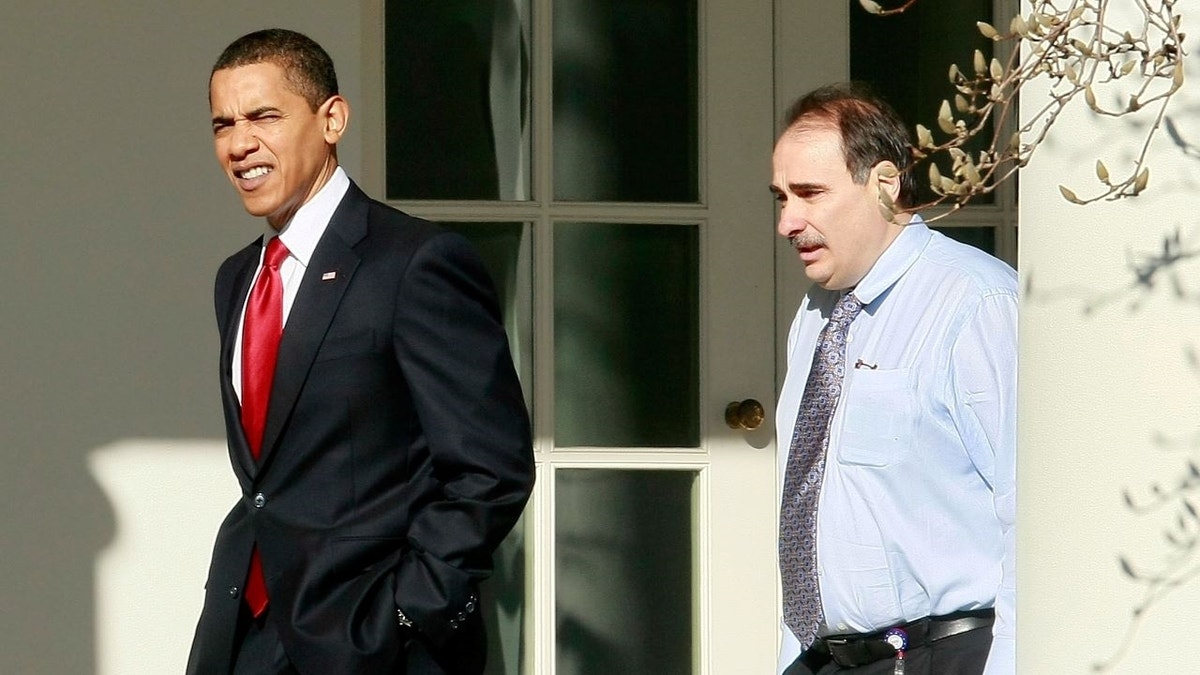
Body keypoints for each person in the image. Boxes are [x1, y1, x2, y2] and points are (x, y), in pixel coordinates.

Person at [187, 28, 535, 675]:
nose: (239, 143)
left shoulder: (414, 263)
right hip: (245, 633)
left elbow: (492, 466)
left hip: (374, 642)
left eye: (264, 116)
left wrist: (408, 610)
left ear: (332, 119)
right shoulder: (237, 278)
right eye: (223, 124)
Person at [771, 82, 1016, 675]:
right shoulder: (816, 316)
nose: (787, 221)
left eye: (809, 194)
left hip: (943, 654)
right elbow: (816, 505)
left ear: (884, 184)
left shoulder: (974, 301)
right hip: (828, 658)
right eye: (780, 197)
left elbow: (1029, 506)